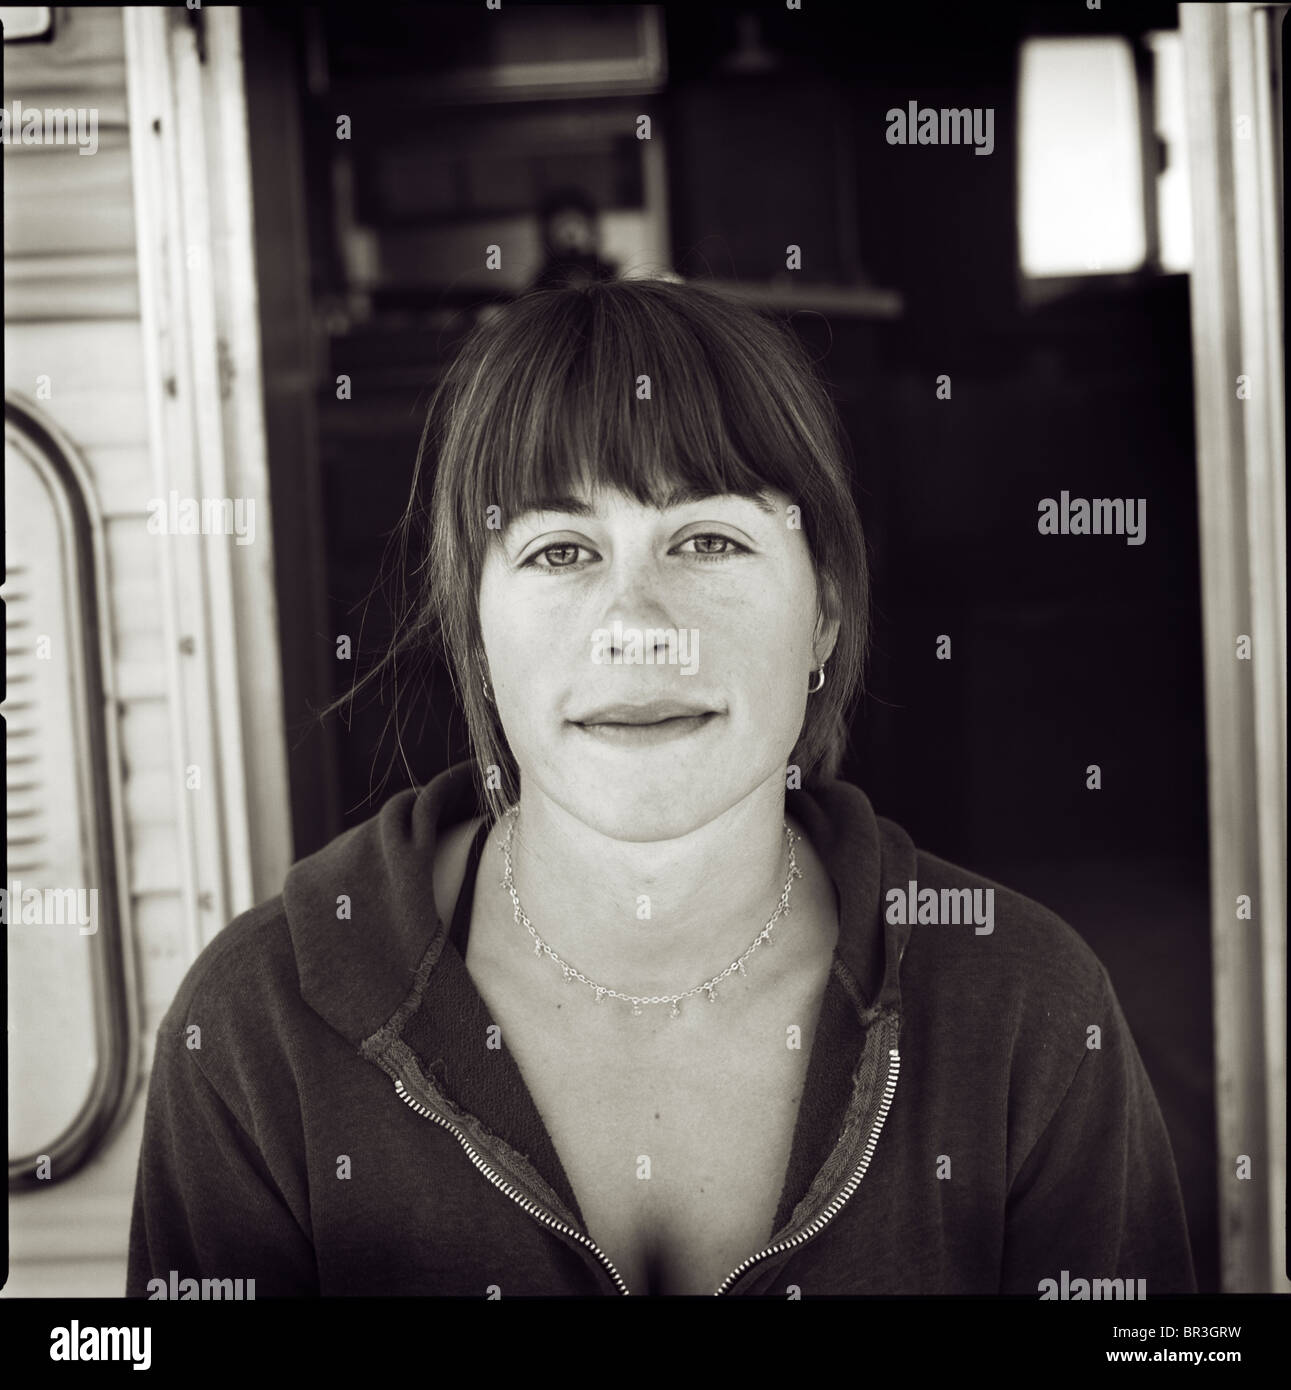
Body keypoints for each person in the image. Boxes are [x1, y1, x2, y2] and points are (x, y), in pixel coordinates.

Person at [126, 278, 1196, 1297]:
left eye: (708, 539)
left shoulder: (1029, 1017)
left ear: (822, 610)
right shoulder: (257, 1034)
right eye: (557, 551)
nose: (636, 622)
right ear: (475, 625)